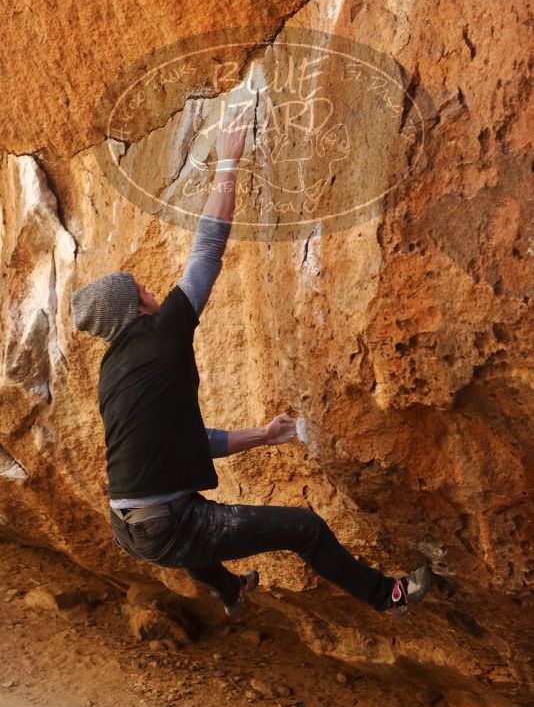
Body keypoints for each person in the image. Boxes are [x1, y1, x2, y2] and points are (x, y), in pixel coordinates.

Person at [71, 108, 431, 618]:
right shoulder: (162, 334)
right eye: (142, 288)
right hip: (167, 524)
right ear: (136, 308)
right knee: (303, 529)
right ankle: (387, 596)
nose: (151, 289)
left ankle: (230, 591)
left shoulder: (115, 370)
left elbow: (190, 444)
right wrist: (228, 161)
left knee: (189, 530)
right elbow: (208, 250)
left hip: (129, 525)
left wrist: (263, 435)